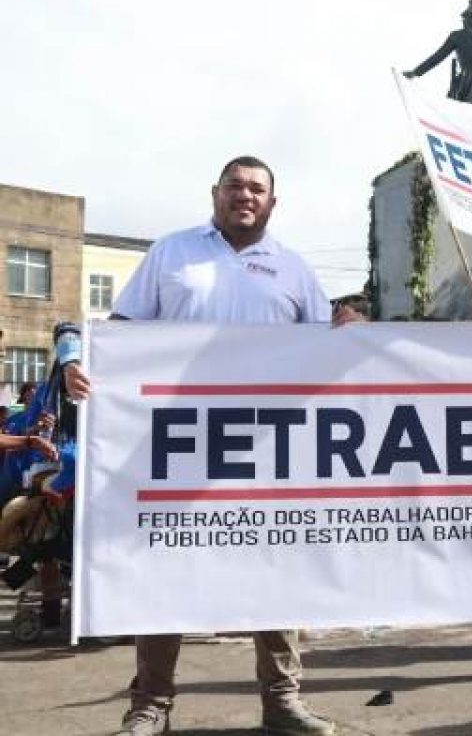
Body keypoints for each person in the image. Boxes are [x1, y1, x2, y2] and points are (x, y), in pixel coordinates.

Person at [66, 156, 358, 736]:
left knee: (274, 566)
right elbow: (122, 330)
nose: (245, 195)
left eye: (257, 189)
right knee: (165, 566)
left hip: (266, 448)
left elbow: (326, 349)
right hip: (178, 444)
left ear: (272, 202)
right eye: (234, 186)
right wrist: (83, 361)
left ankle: (282, 700)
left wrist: (349, 329)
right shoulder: (171, 253)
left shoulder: (294, 269)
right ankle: (150, 705)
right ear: (215, 194)